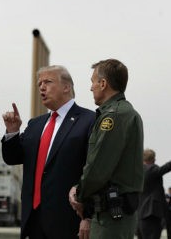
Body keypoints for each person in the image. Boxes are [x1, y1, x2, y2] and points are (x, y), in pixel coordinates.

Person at [2, 65, 95, 239]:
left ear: (66, 87)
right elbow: (13, 158)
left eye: (48, 82)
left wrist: (88, 216)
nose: (42, 87)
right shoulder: (35, 124)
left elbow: (94, 170)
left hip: (69, 221)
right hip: (33, 220)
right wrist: (12, 132)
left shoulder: (89, 120)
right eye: (39, 84)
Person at [69, 59, 144, 239]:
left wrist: (78, 193)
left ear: (103, 84)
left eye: (93, 82)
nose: (91, 88)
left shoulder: (113, 116)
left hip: (110, 218)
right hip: (114, 214)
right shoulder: (125, 113)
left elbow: (98, 166)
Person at [137, 149, 171, 239]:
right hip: (151, 214)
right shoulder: (151, 169)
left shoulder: (137, 171)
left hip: (140, 214)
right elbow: (166, 167)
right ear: (153, 159)